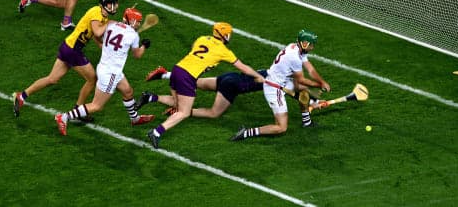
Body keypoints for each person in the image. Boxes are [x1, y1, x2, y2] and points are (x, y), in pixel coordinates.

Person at [140, 22, 265, 149]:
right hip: (188, 76)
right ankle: (156, 132)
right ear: (224, 35)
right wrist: (258, 76)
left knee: (177, 103)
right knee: (184, 112)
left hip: (177, 69)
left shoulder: (202, 38)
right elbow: (242, 67)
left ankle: (150, 97)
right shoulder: (223, 50)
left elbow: (194, 50)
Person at [13, 0, 118, 118]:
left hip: (67, 46)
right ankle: (78, 109)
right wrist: (111, 24)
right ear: (105, 4)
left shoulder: (102, 16)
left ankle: (22, 96)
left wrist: (103, 46)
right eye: (113, 4)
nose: (115, 6)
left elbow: (95, 35)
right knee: (92, 79)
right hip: (73, 50)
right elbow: (97, 30)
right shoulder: (97, 13)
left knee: (52, 79)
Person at [55, 6, 155, 135]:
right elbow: (137, 55)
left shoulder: (111, 25)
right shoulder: (133, 35)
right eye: (138, 21)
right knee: (97, 106)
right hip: (111, 73)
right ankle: (63, 117)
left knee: (128, 91)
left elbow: (99, 37)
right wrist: (144, 46)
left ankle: (135, 119)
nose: (139, 23)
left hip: (107, 67)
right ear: (132, 21)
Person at [230, 29, 331, 141]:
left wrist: (321, 83)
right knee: (281, 128)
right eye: (311, 45)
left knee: (303, 91)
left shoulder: (295, 47)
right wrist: (319, 85)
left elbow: (310, 69)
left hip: (281, 81)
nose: (312, 48)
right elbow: (301, 80)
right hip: (274, 88)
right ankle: (246, 133)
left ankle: (307, 122)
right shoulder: (294, 57)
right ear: (304, 43)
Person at [141, 68, 323, 119]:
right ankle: (183, 111)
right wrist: (314, 101)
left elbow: (301, 90)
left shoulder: (278, 70)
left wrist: (314, 101)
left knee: (197, 83)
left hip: (230, 77)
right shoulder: (289, 81)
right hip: (232, 87)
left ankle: (164, 76)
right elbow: (301, 91)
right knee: (214, 114)